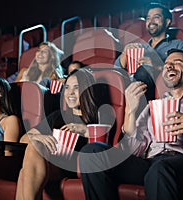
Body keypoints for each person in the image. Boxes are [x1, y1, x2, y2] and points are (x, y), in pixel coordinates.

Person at [79, 49, 183, 200]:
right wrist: (130, 110)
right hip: (150, 163)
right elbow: (133, 150)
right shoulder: (152, 107)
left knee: (160, 169)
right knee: (92, 152)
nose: (169, 66)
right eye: (167, 64)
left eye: (177, 63)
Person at [15, 68, 115, 200]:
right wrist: (39, 137)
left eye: (76, 88)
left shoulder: (101, 115)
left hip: (78, 166)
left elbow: (104, 146)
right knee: (31, 154)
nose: (70, 93)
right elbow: (23, 139)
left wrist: (84, 130)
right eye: (67, 87)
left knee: (26, 168)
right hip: (52, 164)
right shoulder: (58, 116)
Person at [114, 2, 183, 101]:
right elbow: (115, 71)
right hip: (131, 86)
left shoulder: (178, 45)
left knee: (144, 70)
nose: (151, 21)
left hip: (160, 87)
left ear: (167, 22)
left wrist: (155, 66)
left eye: (156, 17)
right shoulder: (140, 47)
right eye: (148, 18)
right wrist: (125, 53)